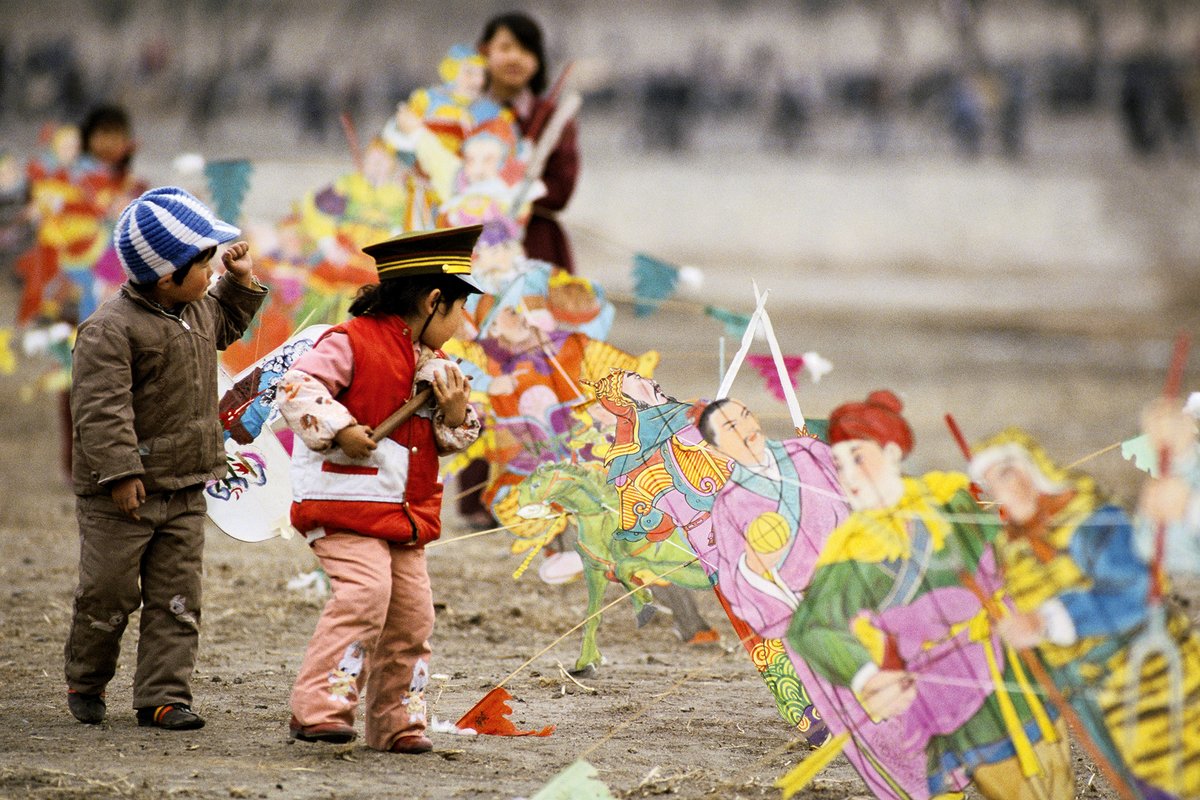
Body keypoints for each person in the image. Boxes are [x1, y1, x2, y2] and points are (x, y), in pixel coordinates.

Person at [788, 391, 1073, 800]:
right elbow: (810, 628)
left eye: (858, 458)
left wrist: (1014, 514)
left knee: (1060, 786)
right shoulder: (850, 551)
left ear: (891, 452)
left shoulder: (947, 496)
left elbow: (1003, 547)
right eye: (839, 463)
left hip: (1016, 668)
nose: (848, 475)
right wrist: (869, 676)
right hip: (952, 703)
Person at [64, 187, 267, 729]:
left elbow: (225, 323)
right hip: (121, 496)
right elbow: (101, 408)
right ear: (164, 276)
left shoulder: (198, 308)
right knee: (107, 594)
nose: (210, 272)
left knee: (178, 599)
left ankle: (164, 696)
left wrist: (239, 282)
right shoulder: (110, 329)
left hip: (184, 487)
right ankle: (86, 677)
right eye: (203, 264)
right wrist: (122, 472)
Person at [277, 225, 483, 754]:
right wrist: (341, 428)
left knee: (414, 616)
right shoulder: (349, 341)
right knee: (364, 595)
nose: (462, 325)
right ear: (434, 300)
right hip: (344, 505)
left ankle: (397, 722)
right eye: (460, 309)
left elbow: (456, 435)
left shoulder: (440, 369)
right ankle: (318, 708)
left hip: (404, 514)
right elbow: (297, 387)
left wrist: (456, 413)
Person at [970, 429, 1200, 800]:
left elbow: (1138, 593)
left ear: (1033, 470)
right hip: (1091, 695)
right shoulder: (1014, 550)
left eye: (1006, 474)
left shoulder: (1091, 521)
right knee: (1137, 785)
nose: (1000, 490)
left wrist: (1047, 621)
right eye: (987, 484)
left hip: (1151, 676)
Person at [479, 12, 579, 273]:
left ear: (537, 60)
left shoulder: (554, 121)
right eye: (505, 47)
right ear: (484, 52)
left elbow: (559, 191)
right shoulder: (461, 115)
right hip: (472, 237)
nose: (515, 57)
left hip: (534, 242)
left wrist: (511, 189)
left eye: (525, 49)